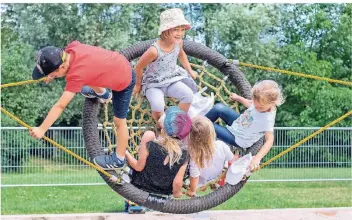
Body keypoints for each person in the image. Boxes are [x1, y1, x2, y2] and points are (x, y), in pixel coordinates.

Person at [28, 41, 136, 170]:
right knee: (90, 74)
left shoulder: (76, 75)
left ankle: (119, 159)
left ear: (61, 67)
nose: (54, 77)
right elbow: (83, 66)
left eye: (54, 75)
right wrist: (52, 74)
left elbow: (60, 106)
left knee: (119, 121)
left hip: (125, 80)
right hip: (118, 64)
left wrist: (42, 129)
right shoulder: (71, 49)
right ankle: (102, 94)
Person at [133, 8, 198, 127]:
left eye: (182, 29)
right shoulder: (154, 50)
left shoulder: (178, 43)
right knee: (158, 105)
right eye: (176, 30)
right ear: (166, 31)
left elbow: (182, 55)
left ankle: (176, 124)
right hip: (154, 83)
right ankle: (161, 128)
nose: (180, 33)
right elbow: (138, 67)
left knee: (188, 94)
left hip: (171, 79)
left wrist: (190, 70)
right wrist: (138, 85)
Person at [205, 80, 284, 172]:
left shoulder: (267, 119)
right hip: (239, 123)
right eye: (255, 103)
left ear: (272, 103)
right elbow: (250, 104)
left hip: (238, 137)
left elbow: (269, 140)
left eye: (260, 107)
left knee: (209, 127)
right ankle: (198, 125)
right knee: (219, 108)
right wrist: (238, 98)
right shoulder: (259, 103)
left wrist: (257, 158)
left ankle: (196, 128)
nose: (257, 108)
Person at [125, 106, 191, 197]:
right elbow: (177, 183)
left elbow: (138, 167)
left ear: (163, 128)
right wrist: (177, 194)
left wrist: (126, 153)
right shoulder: (184, 155)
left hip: (140, 188)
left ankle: (133, 204)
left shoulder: (151, 142)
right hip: (163, 194)